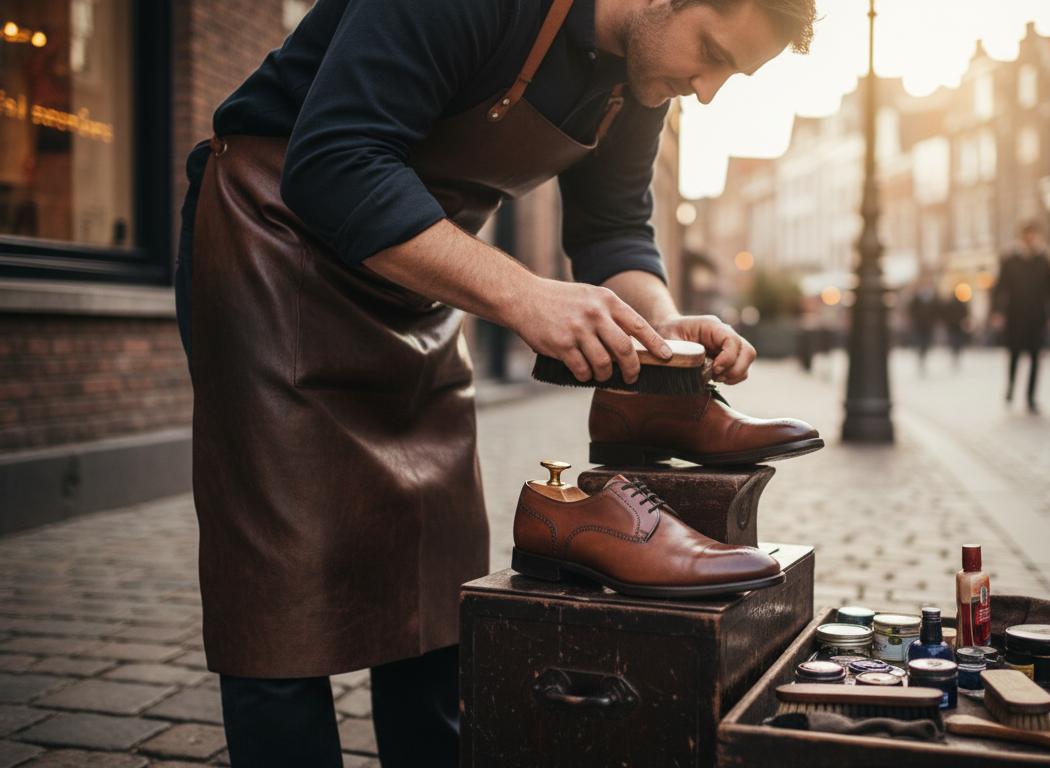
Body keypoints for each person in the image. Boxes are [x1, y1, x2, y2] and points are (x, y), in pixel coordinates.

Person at [174, 0, 817, 764]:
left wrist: (662, 329)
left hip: (416, 286)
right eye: (710, 51)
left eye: (728, 75)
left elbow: (612, 226)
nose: (705, 88)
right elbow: (336, 158)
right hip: (275, 250)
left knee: (436, 589)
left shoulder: (641, 79)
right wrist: (521, 294)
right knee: (280, 602)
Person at [992, 221, 1050, 413]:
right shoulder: (1010, 260)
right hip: (1015, 315)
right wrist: (998, 312)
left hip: (1037, 316)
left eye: (1034, 235)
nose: (1031, 239)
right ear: (1022, 237)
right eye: (1027, 235)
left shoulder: (1044, 260)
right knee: (1014, 355)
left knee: (1035, 357)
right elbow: (1000, 288)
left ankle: (1031, 397)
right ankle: (1011, 386)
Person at [907, 280, 939, 373]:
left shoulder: (933, 298)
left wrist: (934, 320)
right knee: (920, 341)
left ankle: (923, 355)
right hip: (919, 324)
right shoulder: (916, 298)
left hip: (929, 324)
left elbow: (936, 310)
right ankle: (920, 355)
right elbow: (911, 309)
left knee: (926, 342)